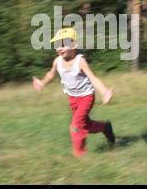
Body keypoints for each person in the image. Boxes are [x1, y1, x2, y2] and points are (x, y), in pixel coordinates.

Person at [32, 27, 115, 157]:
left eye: (64, 44)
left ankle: (80, 154)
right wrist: (42, 82)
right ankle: (105, 127)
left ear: (75, 45)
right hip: (72, 98)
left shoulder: (80, 61)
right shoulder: (57, 61)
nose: (60, 48)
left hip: (86, 97)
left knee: (75, 125)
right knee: (85, 125)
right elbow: (51, 75)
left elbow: (93, 78)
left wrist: (105, 92)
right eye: (57, 45)